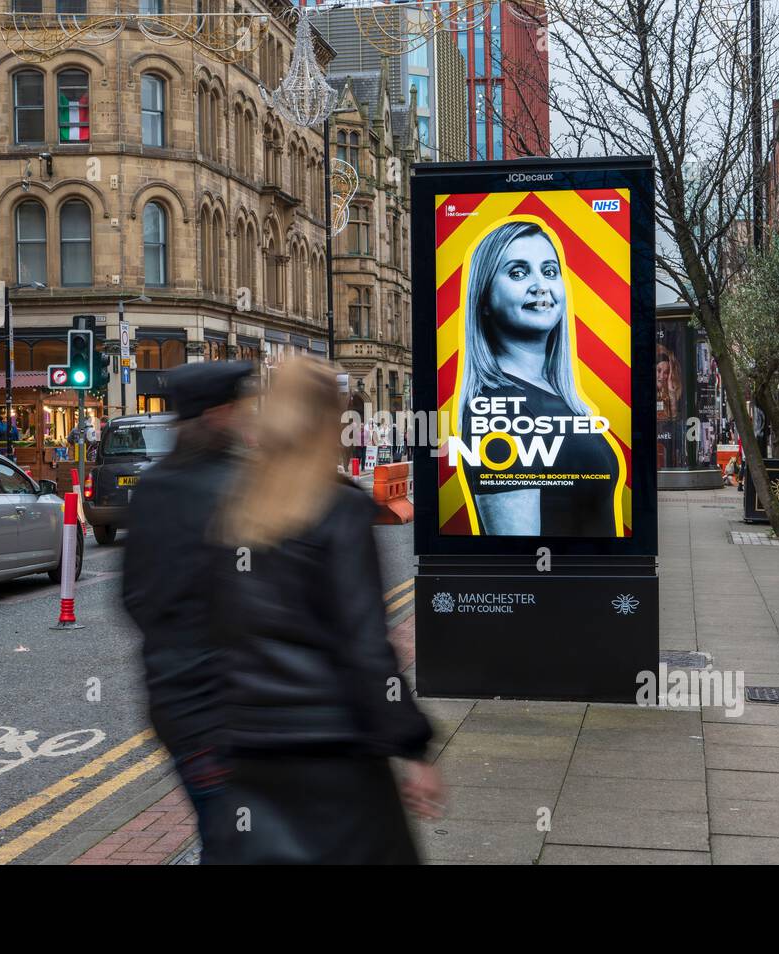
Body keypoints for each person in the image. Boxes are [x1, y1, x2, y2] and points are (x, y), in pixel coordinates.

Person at [206, 358, 440, 864]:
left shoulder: (235, 509)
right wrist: (412, 744)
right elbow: (364, 647)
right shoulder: (341, 510)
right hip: (334, 750)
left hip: (251, 749)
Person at [122, 360, 257, 863]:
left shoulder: (153, 488)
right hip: (237, 707)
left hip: (178, 706)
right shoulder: (246, 487)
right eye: (241, 409)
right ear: (220, 413)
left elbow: (134, 598)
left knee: (222, 831)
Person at [456, 220, 618, 536]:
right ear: (484, 299)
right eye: (518, 273)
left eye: (549, 271)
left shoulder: (551, 393)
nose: (540, 285)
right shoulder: (498, 408)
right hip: (565, 585)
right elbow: (518, 558)